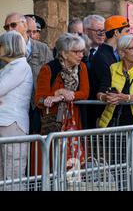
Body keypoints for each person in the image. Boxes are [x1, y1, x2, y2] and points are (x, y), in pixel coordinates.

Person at [3, 13, 53, 134]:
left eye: (13, 25)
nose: (10, 29)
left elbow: (52, 75)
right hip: (14, 108)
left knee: (36, 145)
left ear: (25, 25)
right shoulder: (3, 51)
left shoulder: (42, 49)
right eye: (6, 27)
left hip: (37, 106)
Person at [35, 33, 89, 135]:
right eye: (76, 52)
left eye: (82, 51)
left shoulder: (82, 67)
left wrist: (61, 97)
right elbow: (39, 100)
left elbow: (85, 93)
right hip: (52, 123)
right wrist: (58, 92)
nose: (81, 55)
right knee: (52, 150)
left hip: (74, 120)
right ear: (64, 54)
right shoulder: (48, 69)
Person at [96, 35, 133, 128]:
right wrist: (105, 98)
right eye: (132, 48)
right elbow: (100, 91)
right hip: (112, 124)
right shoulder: (112, 68)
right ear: (122, 52)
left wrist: (126, 98)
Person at [0, 31, 33, 186]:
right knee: (3, 173)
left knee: (13, 173)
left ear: (9, 46)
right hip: (6, 123)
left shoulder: (20, 66)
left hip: (12, 124)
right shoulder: (8, 67)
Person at [87, 15, 130, 129]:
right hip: (104, 116)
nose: (129, 35)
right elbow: (105, 85)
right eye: (127, 31)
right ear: (116, 33)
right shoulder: (102, 57)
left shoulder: (114, 54)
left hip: (113, 113)